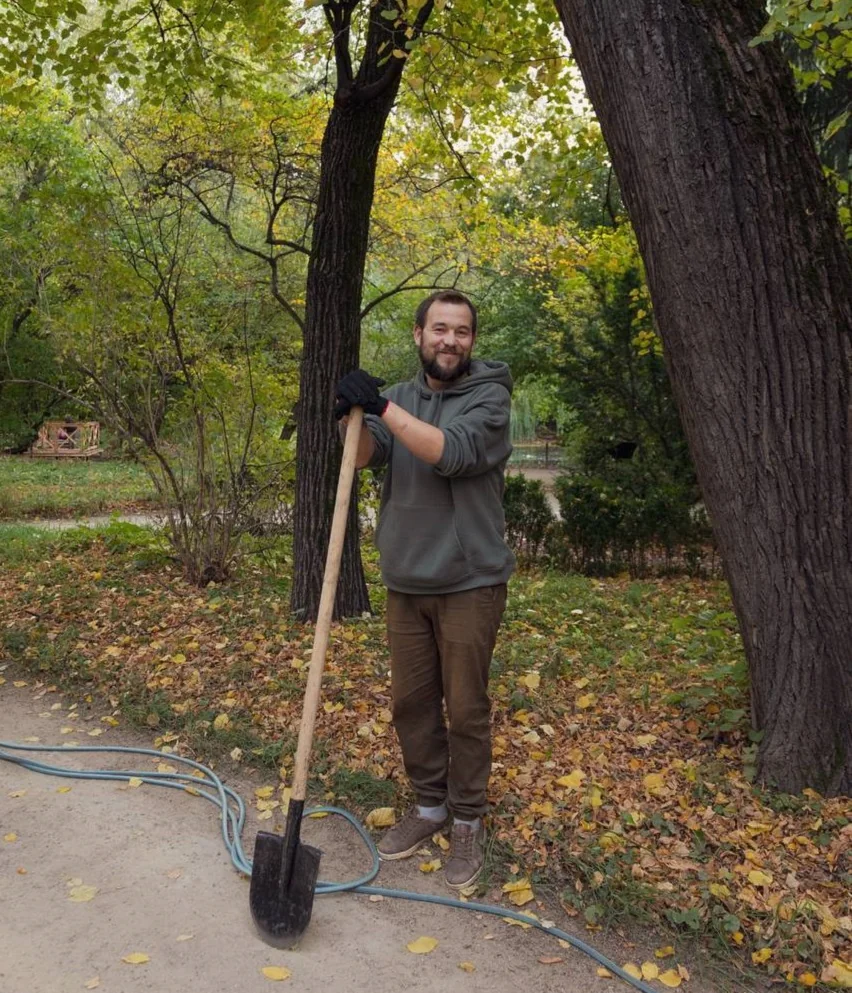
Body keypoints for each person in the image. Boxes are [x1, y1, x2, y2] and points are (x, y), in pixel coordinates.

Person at [335, 290, 515, 889]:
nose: (450, 341)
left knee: (465, 708)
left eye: (461, 332)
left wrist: (380, 406)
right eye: (439, 329)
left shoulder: (490, 399)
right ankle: (431, 807)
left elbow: (449, 453)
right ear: (418, 335)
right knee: (411, 705)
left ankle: (467, 820)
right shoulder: (404, 399)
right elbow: (364, 457)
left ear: (471, 343)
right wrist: (350, 415)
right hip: (406, 581)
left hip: (469, 581)